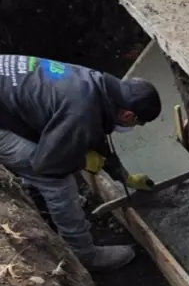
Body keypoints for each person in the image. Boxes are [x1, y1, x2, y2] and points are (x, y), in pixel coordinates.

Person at [0, 54, 162, 271]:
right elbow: (46, 164)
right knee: (57, 180)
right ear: (128, 116)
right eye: (138, 122)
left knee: (58, 152)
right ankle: (85, 255)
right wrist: (82, 160)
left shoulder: (94, 84)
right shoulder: (81, 110)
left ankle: (35, 194)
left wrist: (124, 176)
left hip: (8, 101)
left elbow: (93, 133)